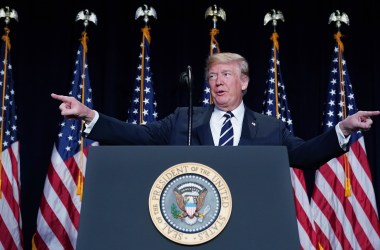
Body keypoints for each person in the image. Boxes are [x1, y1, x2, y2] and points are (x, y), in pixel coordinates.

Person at [51, 52, 379, 169]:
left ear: (245, 82)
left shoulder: (269, 128)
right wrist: (87, 115)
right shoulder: (184, 119)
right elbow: (138, 135)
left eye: (226, 75)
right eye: (212, 76)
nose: (217, 82)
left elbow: (306, 155)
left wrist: (344, 129)